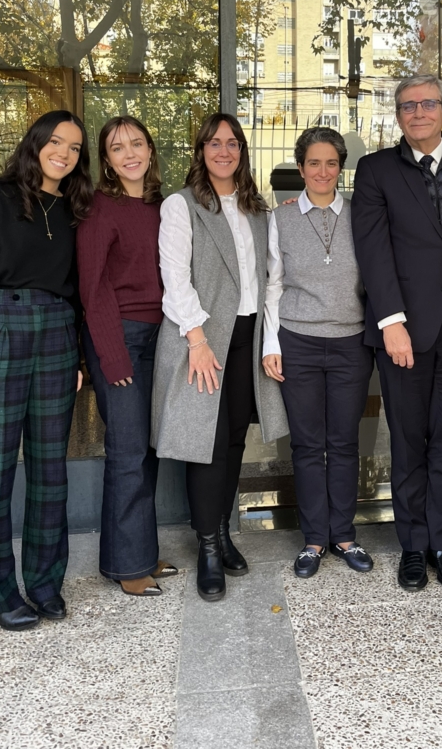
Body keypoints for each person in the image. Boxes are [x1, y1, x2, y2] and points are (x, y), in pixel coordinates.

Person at [351, 74, 442, 591]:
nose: (418, 113)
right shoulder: (374, 170)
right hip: (403, 332)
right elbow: (373, 251)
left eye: (427, 104)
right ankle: (413, 545)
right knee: (409, 439)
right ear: (398, 114)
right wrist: (391, 323)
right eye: (408, 106)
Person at [0, 110, 93, 631]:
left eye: (75, 148)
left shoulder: (75, 210)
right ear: (36, 142)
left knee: (49, 469)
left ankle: (44, 584)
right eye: (56, 142)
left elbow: (81, 289)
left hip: (57, 334)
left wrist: (80, 354)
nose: (63, 153)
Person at [151, 113, 288, 602]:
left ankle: (223, 532)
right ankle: (207, 544)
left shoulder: (257, 208)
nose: (224, 151)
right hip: (203, 337)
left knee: (232, 439)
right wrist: (197, 338)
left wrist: (269, 342)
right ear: (201, 151)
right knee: (205, 441)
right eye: (214, 143)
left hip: (246, 335)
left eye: (232, 143)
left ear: (242, 151)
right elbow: (175, 277)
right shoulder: (181, 205)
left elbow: (271, 280)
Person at [262, 127, 375, 579]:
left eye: (331, 163)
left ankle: (344, 535)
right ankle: (313, 539)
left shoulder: (362, 215)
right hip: (298, 340)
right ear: (301, 167)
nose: (322, 171)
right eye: (313, 163)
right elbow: (273, 284)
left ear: (341, 167)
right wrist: (272, 344)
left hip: (351, 341)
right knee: (307, 444)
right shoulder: (281, 217)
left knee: (345, 442)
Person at [77, 116, 178, 598]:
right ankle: (128, 566)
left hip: (164, 338)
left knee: (149, 450)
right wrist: (112, 356)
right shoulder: (101, 209)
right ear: (107, 161)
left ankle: (137, 550)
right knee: (128, 452)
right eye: (118, 148)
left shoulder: (165, 205)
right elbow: (92, 288)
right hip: (122, 339)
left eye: (137, 143)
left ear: (151, 150)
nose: (130, 153)